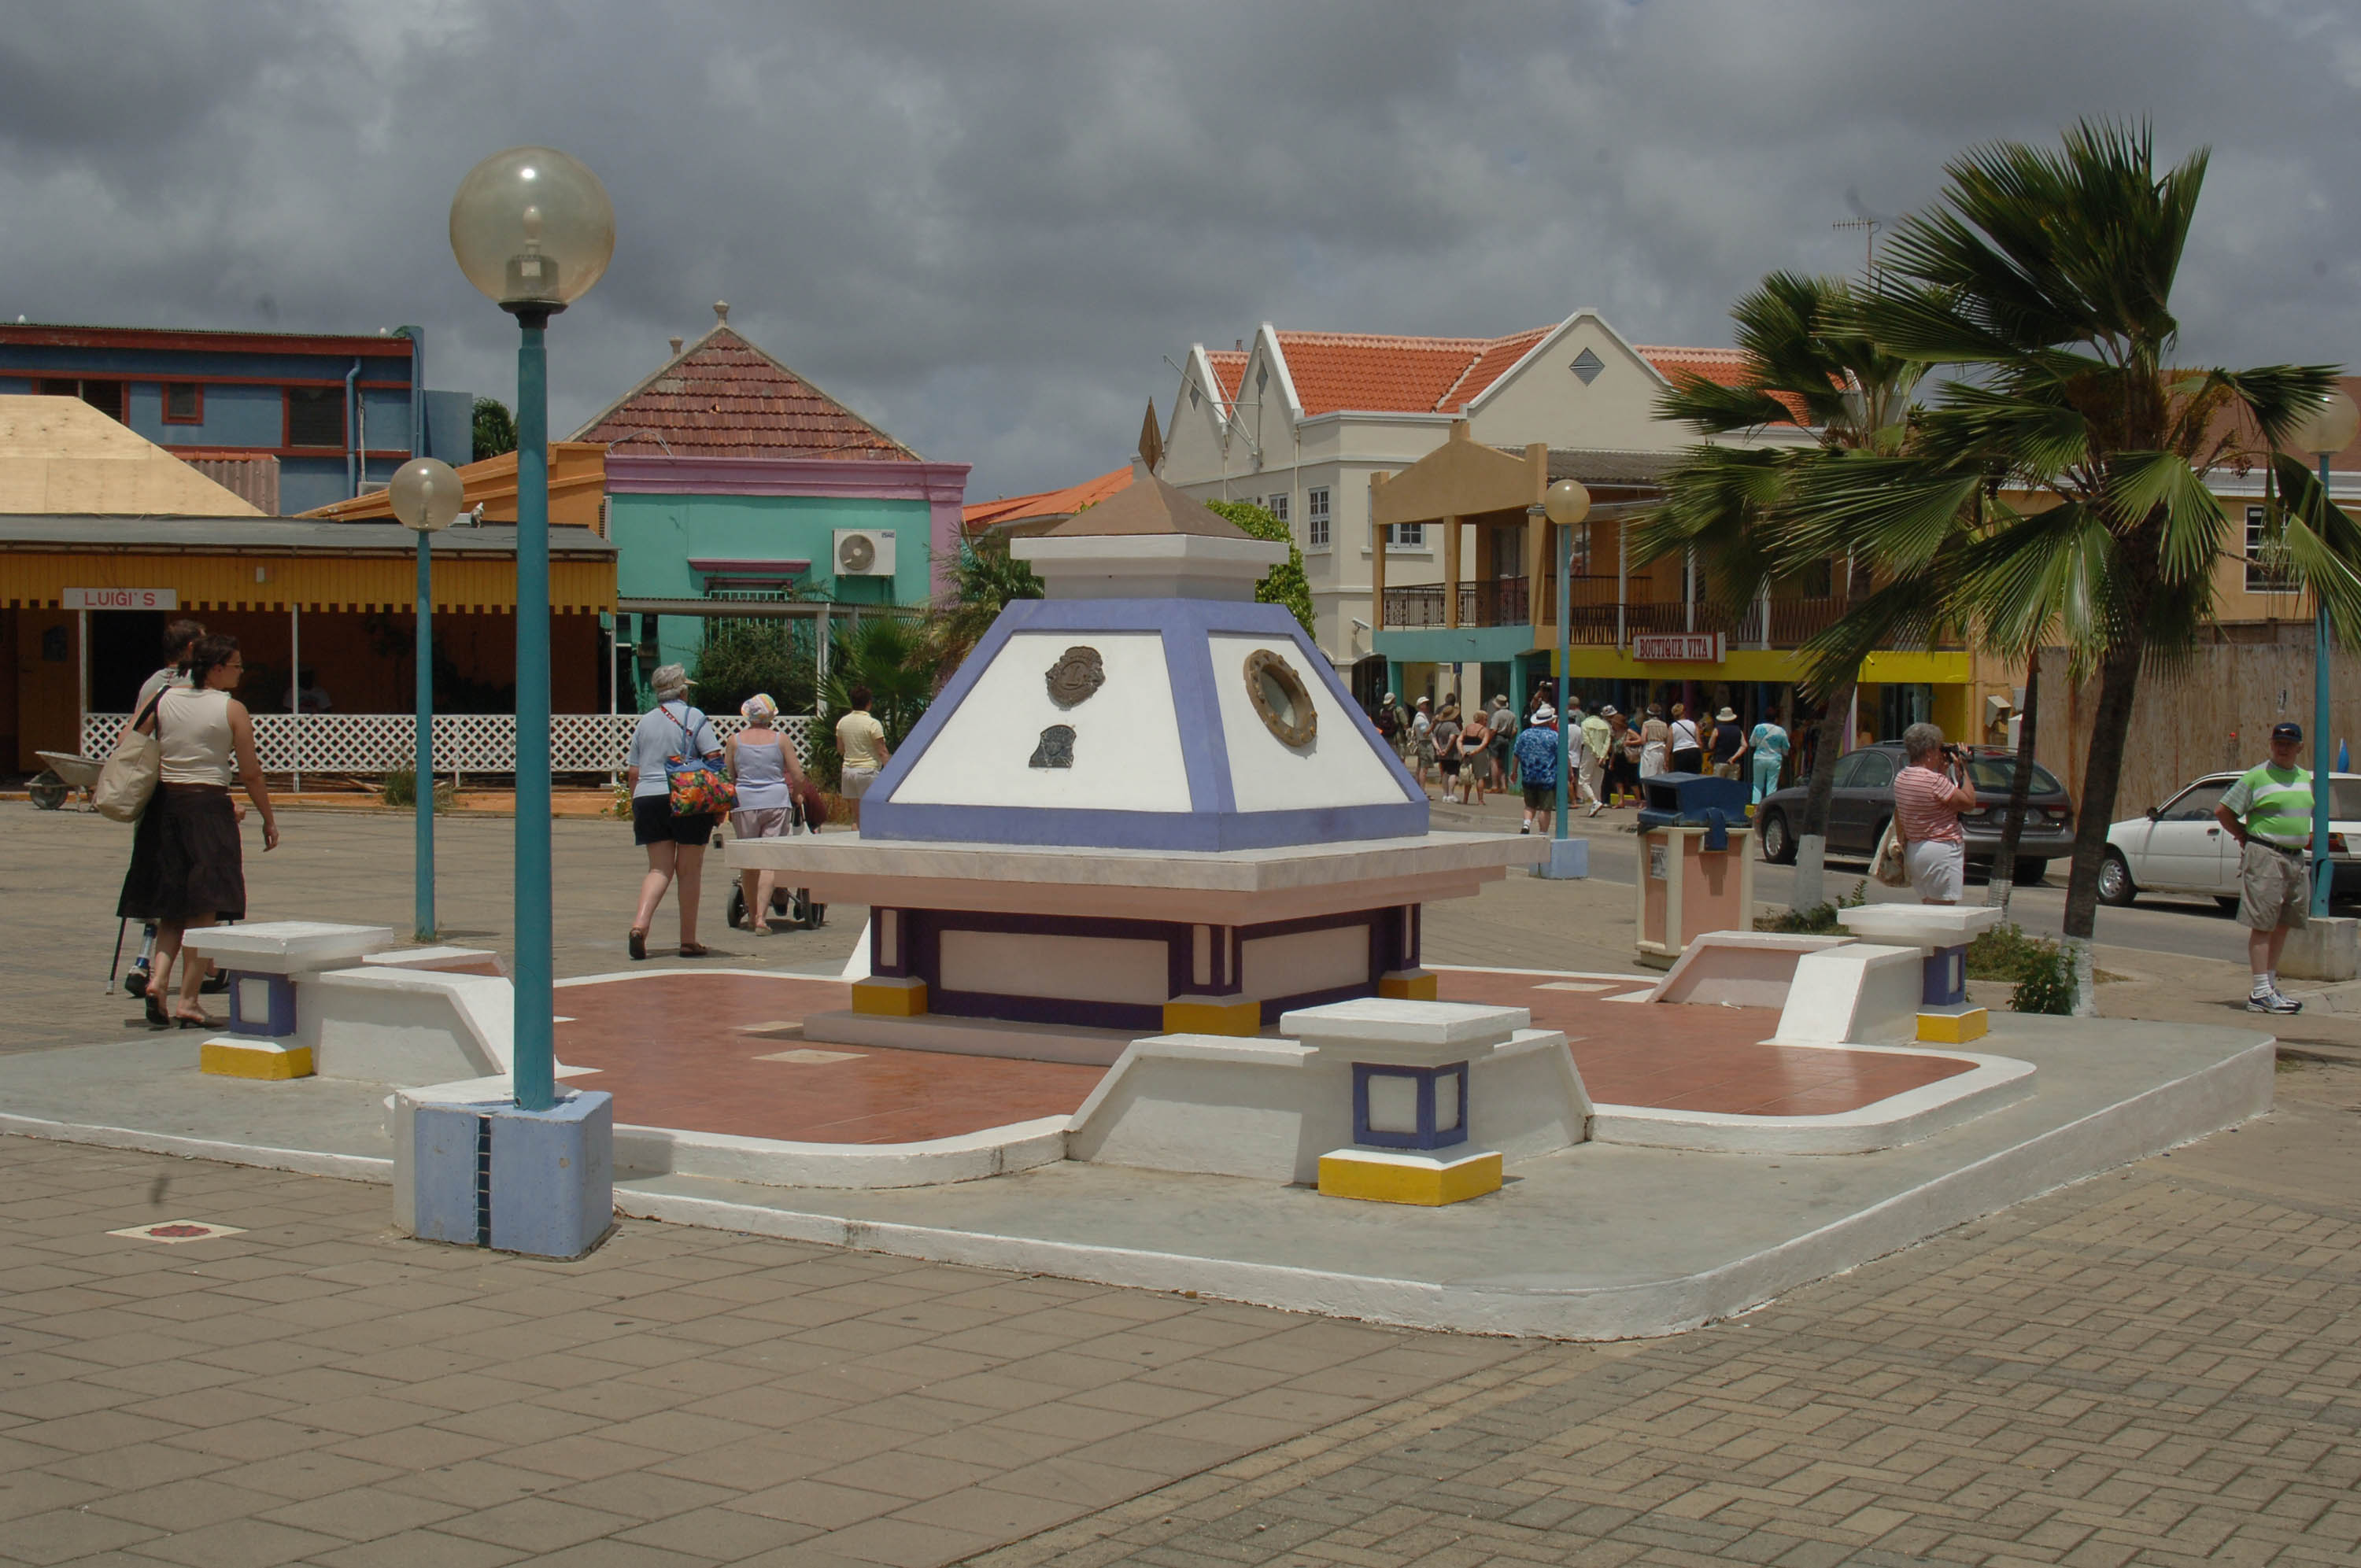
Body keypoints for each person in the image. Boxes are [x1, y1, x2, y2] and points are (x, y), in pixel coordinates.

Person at [116, 635, 279, 1028]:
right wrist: (268, 818)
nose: (241, 672)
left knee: (172, 908)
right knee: (205, 909)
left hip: (165, 808)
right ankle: (188, 1000)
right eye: (237, 665)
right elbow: (250, 771)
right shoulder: (231, 709)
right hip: (208, 807)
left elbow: (129, 741)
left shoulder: (164, 699)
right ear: (217, 668)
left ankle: (157, 981)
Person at [2214, 721, 2315, 1014]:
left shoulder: (2302, 777)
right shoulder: (2257, 776)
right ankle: (2259, 991)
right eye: (2278, 743)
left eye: (2289, 744)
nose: (2283, 749)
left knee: (2284, 922)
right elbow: (2223, 810)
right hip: (2266, 855)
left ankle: (2269, 987)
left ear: (2300, 747)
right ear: (2271, 745)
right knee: (2263, 923)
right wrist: (2244, 836)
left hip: (2295, 857)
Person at [624, 665, 722, 960]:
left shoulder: (645, 722)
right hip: (687, 796)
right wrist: (716, 806)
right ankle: (688, 940)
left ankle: (640, 926)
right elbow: (714, 759)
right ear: (682, 691)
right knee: (689, 870)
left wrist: (635, 804)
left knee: (659, 869)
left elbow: (633, 771)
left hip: (648, 797)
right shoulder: (695, 717)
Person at [726, 693, 806, 935]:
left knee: (749, 862)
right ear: (771, 716)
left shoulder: (735, 741)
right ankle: (762, 916)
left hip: (745, 802)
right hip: (775, 800)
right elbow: (798, 775)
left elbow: (730, 776)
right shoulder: (780, 740)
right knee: (769, 859)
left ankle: (751, 915)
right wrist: (797, 795)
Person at [1892, 721, 1979, 905]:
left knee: (1929, 908)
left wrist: (1942, 771)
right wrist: (1963, 769)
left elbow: (1932, 800)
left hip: (1916, 850)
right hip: (1941, 850)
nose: (1941, 753)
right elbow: (1968, 802)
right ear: (1930, 751)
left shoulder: (1902, 777)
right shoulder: (1934, 781)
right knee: (1943, 912)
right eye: (1939, 749)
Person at [836, 685, 892, 824]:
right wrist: (891, 771)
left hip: (848, 770)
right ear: (869, 703)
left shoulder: (842, 722)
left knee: (857, 818)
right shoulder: (873, 724)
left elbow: (840, 749)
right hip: (868, 771)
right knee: (872, 818)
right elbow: (882, 751)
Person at [1514, 703, 1561, 836]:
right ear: (1549, 721)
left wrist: (1514, 772)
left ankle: (1526, 824)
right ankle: (1543, 832)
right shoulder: (1554, 736)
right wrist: (1569, 773)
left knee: (1530, 804)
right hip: (1547, 777)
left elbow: (1516, 754)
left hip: (1528, 775)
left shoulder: (1525, 734)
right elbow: (1562, 756)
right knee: (1545, 808)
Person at [1748, 710, 1791, 806]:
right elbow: (1786, 748)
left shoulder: (1758, 728)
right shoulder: (1781, 731)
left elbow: (1752, 743)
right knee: (1772, 785)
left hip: (1759, 758)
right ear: (1776, 719)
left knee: (1757, 785)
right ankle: (1769, 807)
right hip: (1774, 760)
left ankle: (1755, 808)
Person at [1579, 704, 1613, 817]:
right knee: (1597, 783)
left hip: (1589, 754)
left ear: (1588, 711)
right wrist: (1602, 755)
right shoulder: (1605, 725)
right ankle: (1596, 804)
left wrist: (1595, 753)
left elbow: (1586, 740)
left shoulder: (1585, 723)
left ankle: (1595, 802)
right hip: (1602, 756)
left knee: (1583, 781)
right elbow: (1607, 742)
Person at [1456, 705, 1490, 806]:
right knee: (1480, 776)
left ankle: (1465, 799)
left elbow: (1459, 740)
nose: (1487, 721)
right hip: (1478, 752)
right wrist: (1475, 751)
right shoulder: (1484, 730)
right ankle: (1480, 800)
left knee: (1467, 775)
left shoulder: (1467, 728)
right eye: (1486, 719)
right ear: (1481, 719)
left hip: (1466, 751)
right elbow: (1485, 743)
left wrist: (1462, 751)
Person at [1430, 700, 1461, 802]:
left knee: (1444, 773)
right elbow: (1452, 738)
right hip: (1452, 754)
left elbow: (1433, 738)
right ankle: (1451, 794)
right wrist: (1446, 750)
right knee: (1453, 773)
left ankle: (1445, 795)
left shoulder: (1438, 726)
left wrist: (1439, 749)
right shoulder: (1453, 726)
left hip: (1441, 754)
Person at [1487, 695, 1516, 791]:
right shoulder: (1512, 715)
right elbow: (1515, 730)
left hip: (1497, 738)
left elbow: (1494, 729)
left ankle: (1495, 785)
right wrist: (1509, 737)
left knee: (1493, 762)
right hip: (1506, 739)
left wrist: (1488, 740)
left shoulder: (1497, 715)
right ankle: (1504, 786)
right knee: (1501, 763)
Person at [1709, 707, 1746, 780]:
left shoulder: (1717, 730)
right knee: (1732, 787)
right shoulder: (1738, 730)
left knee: (1719, 786)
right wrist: (1734, 757)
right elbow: (1744, 745)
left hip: (1720, 761)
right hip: (1734, 763)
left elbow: (1711, 746)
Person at [1668, 702, 1705, 774]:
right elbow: (1699, 742)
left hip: (1679, 754)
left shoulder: (1672, 727)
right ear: (1684, 712)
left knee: (1681, 778)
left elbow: (1669, 745)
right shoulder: (1693, 724)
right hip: (1694, 752)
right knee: (1695, 778)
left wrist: (1667, 760)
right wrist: (1700, 755)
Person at [1639, 703, 1670, 780]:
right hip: (1662, 751)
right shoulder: (1664, 725)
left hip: (1650, 750)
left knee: (1647, 776)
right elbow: (1667, 739)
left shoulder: (1646, 724)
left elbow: (1643, 740)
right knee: (1661, 776)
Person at [1410, 696, 1434, 789]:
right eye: (1425, 704)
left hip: (1423, 743)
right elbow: (1425, 732)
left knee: (1420, 767)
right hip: (1424, 744)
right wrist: (1433, 724)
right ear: (1420, 706)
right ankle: (1422, 790)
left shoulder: (1422, 717)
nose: (1427, 706)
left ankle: (1419, 789)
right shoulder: (1420, 718)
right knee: (1424, 769)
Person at [1373, 691, 1402, 759]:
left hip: (1385, 736)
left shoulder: (1382, 711)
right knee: (1400, 758)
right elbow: (1405, 724)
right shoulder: (1398, 710)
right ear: (1393, 700)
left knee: (1388, 757)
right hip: (1396, 737)